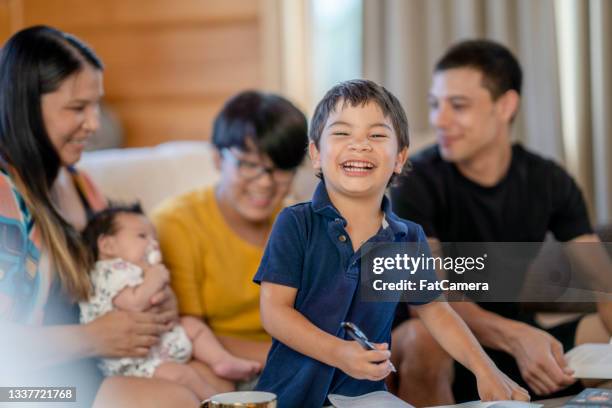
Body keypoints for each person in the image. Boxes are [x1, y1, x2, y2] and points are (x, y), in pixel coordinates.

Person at [253, 79, 529, 407]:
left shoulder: (408, 238)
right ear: (316, 154)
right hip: (288, 397)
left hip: (365, 400)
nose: (360, 145)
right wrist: (339, 352)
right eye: (342, 133)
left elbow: (436, 311)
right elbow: (274, 312)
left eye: (377, 135)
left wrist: (486, 370)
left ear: (399, 159)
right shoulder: (295, 224)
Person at [390, 39, 612, 405]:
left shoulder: (548, 180)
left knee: (601, 326)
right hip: (439, 340)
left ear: (506, 105)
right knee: (423, 338)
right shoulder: (415, 181)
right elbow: (431, 299)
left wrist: (523, 338)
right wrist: (516, 336)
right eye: (434, 105)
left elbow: (603, 282)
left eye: (457, 106)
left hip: (509, 339)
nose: (438, 120)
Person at [0, 25, 211, 407]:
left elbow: (119, 274)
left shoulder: (81, 185)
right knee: (174, 401)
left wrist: (154, 303)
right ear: (26, 106)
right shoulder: (5, 199)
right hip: (21, 388)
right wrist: (95, 337)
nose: (95, 124)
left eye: (96, 105)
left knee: (208, 383)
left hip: (93, 366)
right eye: (78, 108)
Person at [152, 90, 309, 377]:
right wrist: (308, 357)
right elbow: (186, 332)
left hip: (300, 359)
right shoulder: (176, 223)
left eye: (282, 168)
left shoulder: (302, 222)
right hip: (215, 364)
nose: (264, 183)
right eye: (248, 164)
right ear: (217, 158)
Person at [80, 203, 260, 398]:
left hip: (160, 343)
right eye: (142, 236)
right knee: (181, 375)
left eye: (154, 238)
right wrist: (155, 277)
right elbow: (134, 303)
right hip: (135, 362)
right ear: (107, 245)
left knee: (192, 325)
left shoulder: (141, 270)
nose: (153, 244)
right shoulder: (109, 272)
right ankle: (217, 401)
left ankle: (222, 360)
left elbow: (165, 305)